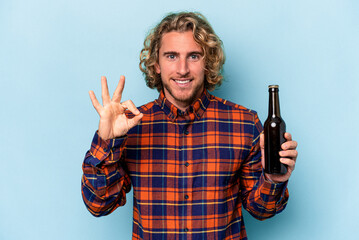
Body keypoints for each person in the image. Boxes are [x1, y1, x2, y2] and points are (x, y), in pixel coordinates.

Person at [81, 11, 298, 240]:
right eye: (171, 56)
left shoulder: (244, 123)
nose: (182, 69)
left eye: (194, 56)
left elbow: (262, 210)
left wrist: (273, 179)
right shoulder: (131, 125)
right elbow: (98, 204)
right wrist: (106, 141)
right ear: (156, 64)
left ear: (208, 62)